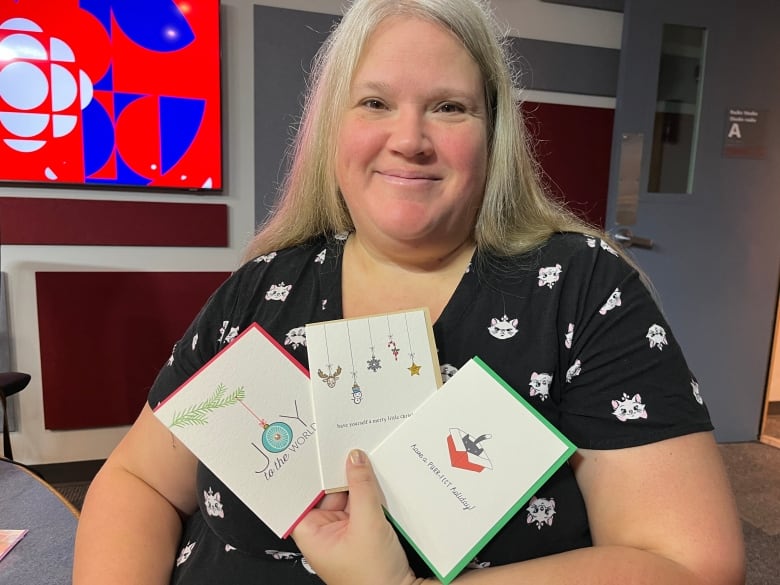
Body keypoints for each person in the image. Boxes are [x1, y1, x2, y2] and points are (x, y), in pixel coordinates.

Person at [73, 0, 746, 583]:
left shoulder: (583, 291)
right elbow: (138, 482)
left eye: (449, 107)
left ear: (495, 135)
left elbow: (689, 565)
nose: (409, 139)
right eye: (374, 102)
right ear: (333, 129)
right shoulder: (264, 285)